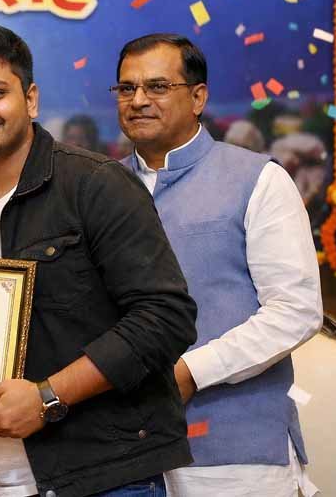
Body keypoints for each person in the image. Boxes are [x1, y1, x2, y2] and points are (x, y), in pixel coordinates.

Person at [0, 24, 198, 497]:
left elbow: (165, 318)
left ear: (30, 100)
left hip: (100, 476)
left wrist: (47, 397)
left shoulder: (96, 184)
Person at [113, 33, 322, 497]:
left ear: (198, 97)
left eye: (157, 86)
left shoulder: (257, 179)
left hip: (233, 455)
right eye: (127, 88)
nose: (138, 100)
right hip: (119, 458)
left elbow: (296, 310)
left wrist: (191, 371)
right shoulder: (100, 188)